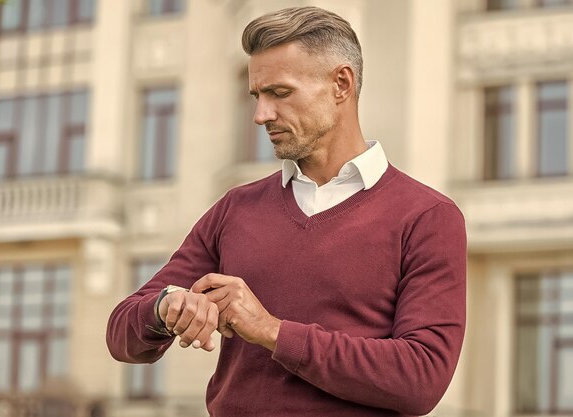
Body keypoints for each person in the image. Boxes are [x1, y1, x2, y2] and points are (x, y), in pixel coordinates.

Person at [106, 6, 466, 417]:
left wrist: (270, 331)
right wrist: (165, 308)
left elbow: (421, 379)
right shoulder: (235, 209)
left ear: (341, 84)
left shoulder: (427, 216)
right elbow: (122, 334)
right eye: (257, 96)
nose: (261, 115)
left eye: (279, 93)